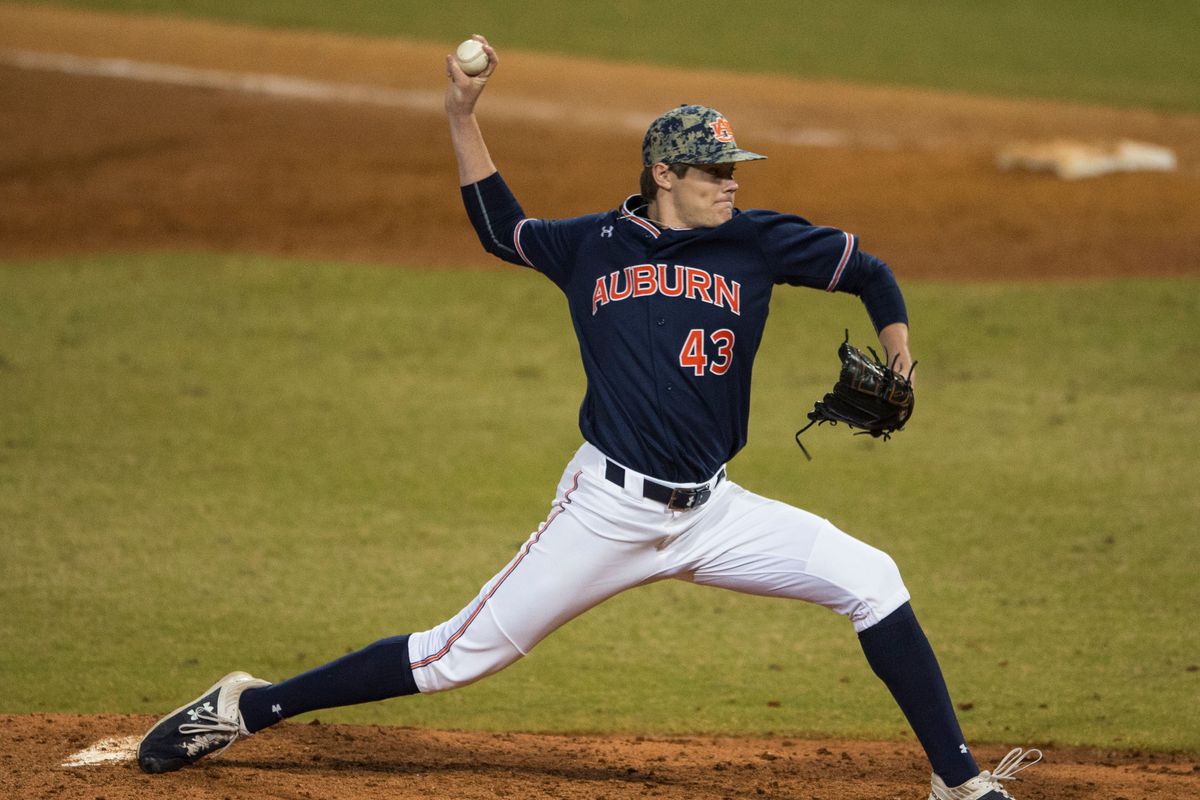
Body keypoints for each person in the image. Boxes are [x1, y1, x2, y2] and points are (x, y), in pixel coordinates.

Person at [137, 36, 1040, 800]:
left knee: (872, 576)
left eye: (735, 170)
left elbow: (871, 271)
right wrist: (462, 114)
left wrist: (901, 346)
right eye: (715, 171)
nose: (732, 183)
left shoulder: (756, 241)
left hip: (715, 514)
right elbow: (502, 230)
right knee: (451, 659)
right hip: (605, 511)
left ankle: (958, 784)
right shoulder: (591, 245)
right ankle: (245, 707)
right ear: (664, 174)